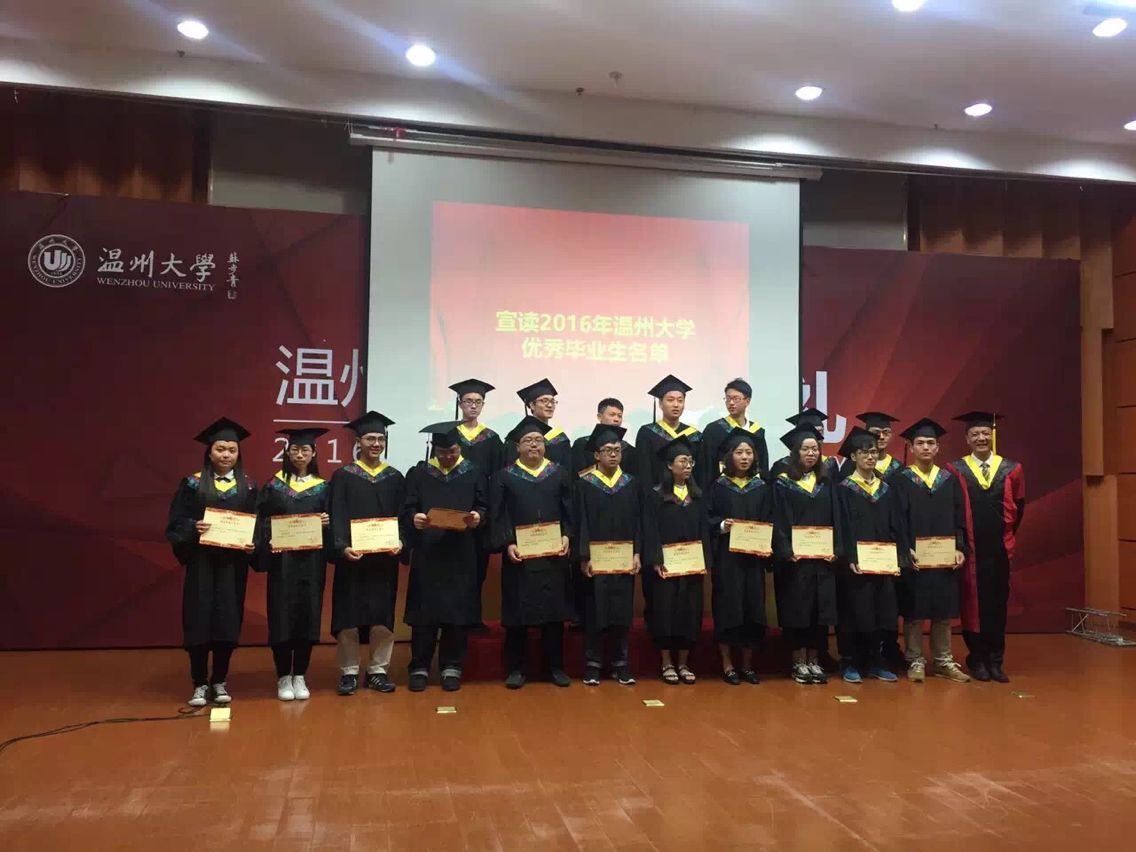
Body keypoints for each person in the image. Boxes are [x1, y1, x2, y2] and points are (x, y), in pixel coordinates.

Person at [166, 418, 257, 707]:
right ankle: (199, 683)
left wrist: (252, 543)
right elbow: (176, 522)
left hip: (232, 566)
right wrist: (193, 527)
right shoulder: (192, 484)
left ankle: (219, 681)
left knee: (226, 620)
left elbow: (257, 524)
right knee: (199, 619)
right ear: (209, 451)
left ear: (238, 453)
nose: (226, 455)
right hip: (202, 564)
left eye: (232, 450)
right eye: (220, 449)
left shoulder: (248, 487)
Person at [490, 415, 575, 689]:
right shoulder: (505, 477)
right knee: (518, 615)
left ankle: (555, 667)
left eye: (539, 440)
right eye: (528, 441)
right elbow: (499, 515)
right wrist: (508, 542)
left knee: (553, 613)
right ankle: (517, 668)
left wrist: (567, 535)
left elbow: (570, 511)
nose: (534, 445)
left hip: (552, 556)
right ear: (517, 447)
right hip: (520, 557)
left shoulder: (559, 474)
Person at [403, 422, 488, 692]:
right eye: (442, 452)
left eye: (452, 451)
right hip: (428, 551)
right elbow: (408, 506)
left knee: (457, 610)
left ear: (459, 448)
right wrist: (414, 517)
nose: (448, 457)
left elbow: (483, 505)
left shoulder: (473, 472)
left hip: (461, 551)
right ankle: (419, 666)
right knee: (424, 612)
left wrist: (478, 517)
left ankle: (452, 666)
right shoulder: (420, 472)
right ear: (434, 450)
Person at [328, 411, 405, 696]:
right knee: (349, 615)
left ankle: (378, 670)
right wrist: (342, 546)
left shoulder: (394, 477)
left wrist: (401, 541)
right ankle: (349, 671)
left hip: (383, 559)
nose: (376, 444)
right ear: (358, 442)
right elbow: (336, 514)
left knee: (381, 616)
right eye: (370, 438)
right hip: (353, 557)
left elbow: (402, 516)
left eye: (380, 439)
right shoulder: (343, 476)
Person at [947, 411, 1026, 683]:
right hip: (971, 549)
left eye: (985, 433)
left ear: (992, 435)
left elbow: (1019, 508)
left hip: (999, 547)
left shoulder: (1011, 469)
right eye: (975, 434)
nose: (981, 438)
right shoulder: (956, 469)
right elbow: (954, 510)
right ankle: (977, 658)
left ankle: (995, 660)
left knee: (997, 603)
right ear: (967, 439)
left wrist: (1005, 537)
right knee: (972, 605)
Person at [893, 418, 970, 684]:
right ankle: (914, 659)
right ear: (911, 447)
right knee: (914, 612)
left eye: (930, 443)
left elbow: (959, 517)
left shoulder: (949, 480)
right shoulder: (901, 480)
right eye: (920, 443)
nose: (926, 447)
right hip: (916, 557)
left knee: (943, 611)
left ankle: (943, 661)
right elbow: (897, 520)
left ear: (938, 448)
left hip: (943, 557)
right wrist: (905, 550)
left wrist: (960, 547)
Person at [256, 428, 330, 702]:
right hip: (282, 564)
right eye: (295, 450)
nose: (300, 454)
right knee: (282, 616)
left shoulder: (323, 487)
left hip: (311, 564)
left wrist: (327, 522)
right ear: (287, 453)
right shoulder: (274, 486)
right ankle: (283, 677)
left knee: (307, 616)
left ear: (314, 453)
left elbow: (332, 523)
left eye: (305, 450)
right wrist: (271, 532)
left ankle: (300, 674)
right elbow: (260, 521)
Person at [834, 427, 908, 684]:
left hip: (882, 562)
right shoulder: (844, 489)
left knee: (880, 611)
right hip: (855, 563)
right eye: (864, 452)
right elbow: (841, 527)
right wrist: (849, 557)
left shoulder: (886, 489)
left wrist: (899, 556)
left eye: (874, 452)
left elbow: (896, 525)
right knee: (854, 611)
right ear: (853, 456)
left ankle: (875, 661)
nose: (870, 457)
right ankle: (850, 661)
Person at [771, 425, 839, 685]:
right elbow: (778, 519)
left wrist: (836, 549)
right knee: (797, 611)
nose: (811, 453)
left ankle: (814, 659)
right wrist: (786, 550)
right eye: (805, 449)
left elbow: (837, 519)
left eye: (815, 449)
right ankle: (798, 661)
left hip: (822, 560)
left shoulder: (826, 482)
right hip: (796, 562)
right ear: (795, 453)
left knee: (819, 612)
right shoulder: (783, 483)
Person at [575, 423, 641, 686]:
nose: (613, 454)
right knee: (595, 612)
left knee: (621, 612)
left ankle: (620, 664)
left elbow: (639, 522)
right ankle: (593, 664)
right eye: (607, 450)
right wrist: (584, 556)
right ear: (596, 455)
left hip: (624, 559)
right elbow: (581, 522)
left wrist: (637, 553)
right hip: (597, 559)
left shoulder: (631, 484)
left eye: (617, 450)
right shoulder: (584, 484)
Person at [706, 428, 773, 685]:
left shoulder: (762, 487)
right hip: (728, 559)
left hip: (753, 559)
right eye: (739, 452)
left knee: (752, 609)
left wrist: (767, 542)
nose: (744, 457)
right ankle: (727, 665)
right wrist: (722, 525)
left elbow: (770, 519)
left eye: (749, 452)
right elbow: (708, 518)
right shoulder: (718, 486)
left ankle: (747, 665)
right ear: (729, 457)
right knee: (728, 608)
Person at [642, 437, 710, 685]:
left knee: (689, 612)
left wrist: (704, 560)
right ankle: (666, 662)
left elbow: (704, 530)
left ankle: (683, 662)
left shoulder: (698, 496)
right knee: (665, 611)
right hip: (666, 566)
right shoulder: (656, 496)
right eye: (683, 461)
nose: (688, 465)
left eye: (690, 461)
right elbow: (650, 529)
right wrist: (656, 559)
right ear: (670, 465)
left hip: (691, 565)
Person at [448, 378, 505, 618]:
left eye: (478, 401)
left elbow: (498, 476)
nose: (473, 405)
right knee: (452, 566)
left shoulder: (491, 438)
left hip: (480, 512)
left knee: (478, 566)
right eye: (469, 401)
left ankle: (473, 616)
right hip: (452, 510)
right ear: (460, 403)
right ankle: (453, 617)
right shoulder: (448, 435)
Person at [634, 374, 703, 493]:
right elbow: (643, 472)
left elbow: (698, 473)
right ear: (660, 403)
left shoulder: (694, 436)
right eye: (670, 400)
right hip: (656, 497)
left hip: (687, 497)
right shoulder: (647, 433)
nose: (676, 405)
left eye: (680, 400)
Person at [699, 378, 769, 487]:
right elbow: (706, 466)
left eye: (736, 399)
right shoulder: (714, 430)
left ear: (747, 401)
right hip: (720, 489)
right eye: (728, 398)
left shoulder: (757, 432)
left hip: (752, 490)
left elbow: (762, 465)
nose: (731, 403)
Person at [505, 378, 572, 468]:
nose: (550, 405)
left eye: (552, 401)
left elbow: (568, 470)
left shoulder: (560, 438)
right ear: (532, 405)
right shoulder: (517, 438)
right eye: (544, 401)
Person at [570, 398, 638, 478]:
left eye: (619, 416)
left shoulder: (628, 449)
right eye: (612, 415)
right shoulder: (582, 444)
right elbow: (575, 475)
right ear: (599, 417)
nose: (616, 419)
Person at [767, 409, 840, 481]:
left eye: (820, 432)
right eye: (811, 432)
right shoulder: (781, 466)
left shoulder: (829, 464)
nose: (816, 437)